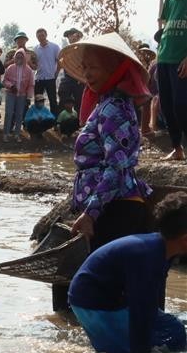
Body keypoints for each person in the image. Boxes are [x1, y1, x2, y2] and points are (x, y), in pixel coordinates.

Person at [68, 192, 187, 353]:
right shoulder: (147, 256)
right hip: (93, 303)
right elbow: (141, 313)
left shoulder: (163, 249)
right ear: (184, 239)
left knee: (174, 331)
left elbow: (153, 299)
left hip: (112, 296)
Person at [59, 32, 152, 251]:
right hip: (107, 208)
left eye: (95, 67)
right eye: (85, 67)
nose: (88, 74)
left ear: (113, 70)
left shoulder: (114, 108)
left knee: (81, 283)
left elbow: (117, 167)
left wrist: (90, 214)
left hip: (115, 209)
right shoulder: (106, 104)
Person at [157, 0, 187, 161]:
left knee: (181, 104)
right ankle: (177, 148)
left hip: (181, 60)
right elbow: (166, 26)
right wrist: (160, 52)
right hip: (164, 58)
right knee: (166, 104)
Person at [2, 49, 35, 142]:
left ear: (24, 57)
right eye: (17, 56)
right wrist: (11, 86)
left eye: (21, 56)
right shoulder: (10, 68)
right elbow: (4, 80)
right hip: (10, 94)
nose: (19, 58)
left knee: (19, 115)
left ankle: (17, 134)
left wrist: (29, 97)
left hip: (22, 95)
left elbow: (31, 84)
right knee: (8, 113)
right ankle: (6, 134)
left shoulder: (29, 70)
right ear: (15, 57)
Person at [34, 28, 61, 115]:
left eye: (42, 35)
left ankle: (55, 122)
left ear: (46, 35)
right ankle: (39, 120)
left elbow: (60, 61)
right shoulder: (35, 49)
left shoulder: (54, 47)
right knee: (38, 100)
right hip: (39, 78)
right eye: (38, 36)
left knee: (53, 100)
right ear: (36, 37)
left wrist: (56, 73)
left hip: (50, 78)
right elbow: (34, 65)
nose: (41, 37)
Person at [58, 28, 85, 112]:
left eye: (73, 35)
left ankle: (79, 121)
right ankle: (62, 119)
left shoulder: (83, 48)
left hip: (80, 79)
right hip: (68, 77)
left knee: (80, 101)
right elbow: (61, 63)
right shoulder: (66, 50)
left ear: (78, 37)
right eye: (69, 36)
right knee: (62, 92)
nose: (71, 38)